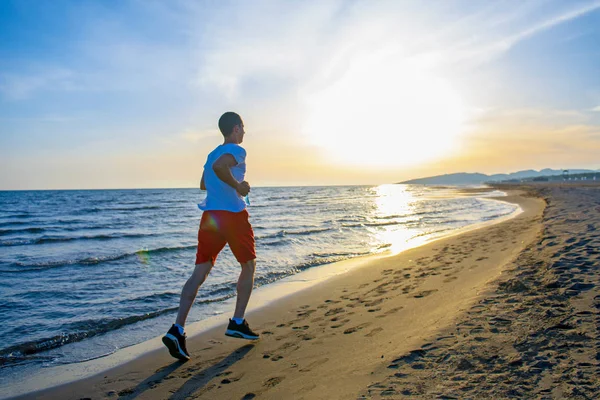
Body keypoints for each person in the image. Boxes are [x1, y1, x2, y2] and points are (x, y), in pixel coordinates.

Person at [162, 112, 259, 361]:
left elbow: (204, 183)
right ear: (235, 129)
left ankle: (177, 329)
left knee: (200, 272)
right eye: (243, 128)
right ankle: (237, 321)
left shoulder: (211, 153)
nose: (244, 132)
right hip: (232, 216)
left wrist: (231, 181)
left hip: (210, 218)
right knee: (248, 265)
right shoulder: (236, 151)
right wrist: (238, 186)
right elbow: (219, 168)